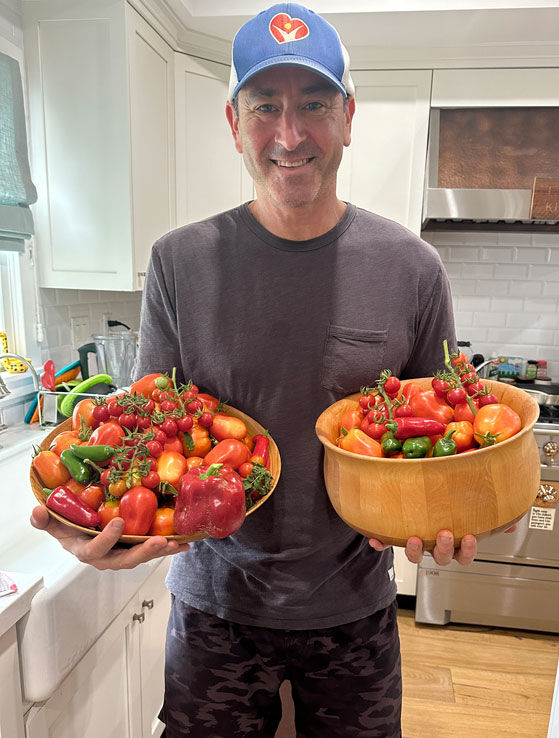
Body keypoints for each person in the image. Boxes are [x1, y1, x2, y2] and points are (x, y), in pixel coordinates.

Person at [31, 4, 478, 736]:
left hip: (355, 611)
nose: (290, 133)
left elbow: (447, 441)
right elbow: (144, 433)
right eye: (265, 106)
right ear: (234, 124)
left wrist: (455, 516)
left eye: (314, 105)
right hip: (215, 608)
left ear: (349, 116)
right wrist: (95, 518)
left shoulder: (414, 269)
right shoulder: (178, 262)